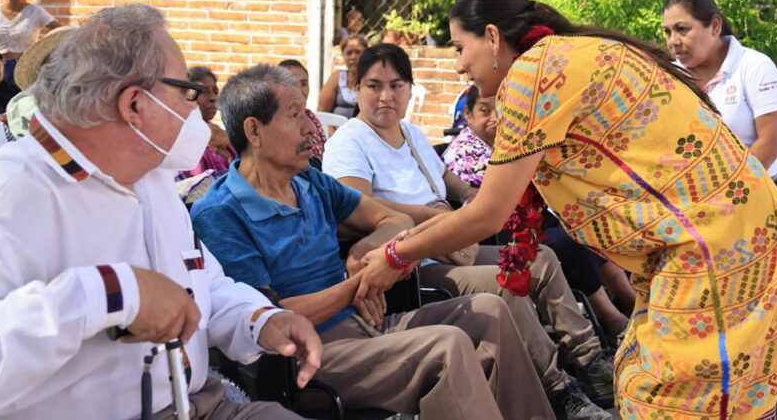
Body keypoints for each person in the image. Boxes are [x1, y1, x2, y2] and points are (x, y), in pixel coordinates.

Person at [358, 0, 777, 419]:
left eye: (460, 48)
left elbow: (488, 212)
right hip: (736, 225)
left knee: (666, 396)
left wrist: (395, 255)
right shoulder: (571, 52)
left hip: (714, 242)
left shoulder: (531, 76)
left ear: (494, 36)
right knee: (677, 383)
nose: (458, 64)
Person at [0, 4, 321, 419]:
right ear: (135, 105)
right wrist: (111, 292)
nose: (195, 108)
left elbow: (202, 284)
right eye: (185, 90)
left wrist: (258, 319)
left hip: (201, 404)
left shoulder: (151, 178)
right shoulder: (7, 193)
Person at [191, 64, 555, 420]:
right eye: (295, 116)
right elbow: (268, 318)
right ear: (253, 131)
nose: (310, 128)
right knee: (446, 347)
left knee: (490, 311)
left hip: (368, 324)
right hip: (309, 358)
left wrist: (365, 251)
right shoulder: (221, 214)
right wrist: (361, 285)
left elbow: (392, 219)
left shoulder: (311, 183)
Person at [323, 43, 614, 419]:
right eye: (374, 86)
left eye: (396, 86)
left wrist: (468, 194)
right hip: (411, 262)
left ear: (410, 89)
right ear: (355, 87)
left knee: (540, 258)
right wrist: (433, 218)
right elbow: (357, 208)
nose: (385, 97)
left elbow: (446, 177)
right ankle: (560, 391)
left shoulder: (410, 134)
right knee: (508, 283)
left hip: (450, 241)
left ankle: (591, 362)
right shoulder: (349, 141)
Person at [444, 85, 634, 337]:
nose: (493, 117)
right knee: (571, 241)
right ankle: (612, 317)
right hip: (506, 231)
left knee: (585, 225)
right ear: (467, 115)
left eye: (499, 110)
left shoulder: (506, 142)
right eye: (483, 110)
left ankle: (631, 303)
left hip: (537, 218)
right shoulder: (465, 152)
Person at [663, 0, 777, 192]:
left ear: (714, 26)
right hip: (692, 198)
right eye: (667, 32)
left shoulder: (754, 67)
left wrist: (727, 192)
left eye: (682, 29)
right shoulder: (670, 76)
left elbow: (773, 140)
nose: (673, 42)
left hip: (752, 194)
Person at [178, 66, 238, 181]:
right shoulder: (180, 139)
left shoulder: (220, 138)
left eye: (215, 92)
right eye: (204, 91)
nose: (213, 98)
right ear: (188, 95)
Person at [277, 59, 326, 162]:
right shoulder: (276, 121)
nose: (300, 90)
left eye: (304, 84)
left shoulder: (311, 117)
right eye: (293, 84)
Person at [318, 34, 367, 118]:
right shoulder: (336, 78)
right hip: (336, 130)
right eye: (349, 53)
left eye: (358, 52)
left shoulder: (373, 79)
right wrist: (332, 130)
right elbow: (322, 111)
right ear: (343, 56)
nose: (353, 57)